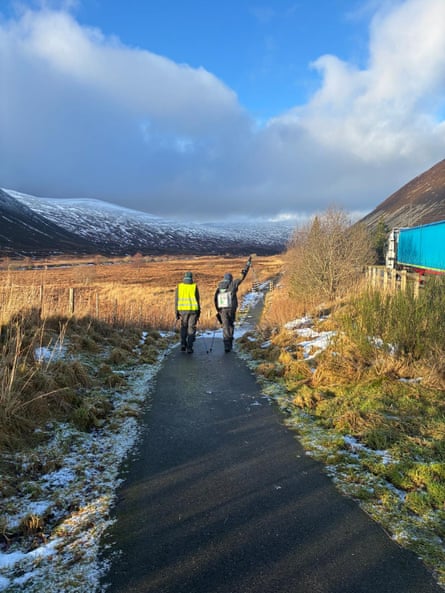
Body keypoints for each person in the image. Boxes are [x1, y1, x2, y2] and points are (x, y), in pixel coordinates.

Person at [214, 256, 252, 352]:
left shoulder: (219, 287)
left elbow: (215, 299)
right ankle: (229, 343)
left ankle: (226, 344)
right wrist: (247, 265)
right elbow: (242, 276)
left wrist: (218, 310)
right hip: (231, 309)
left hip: (222, 310)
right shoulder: (233, 284)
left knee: (225, 326)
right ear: (230, 279)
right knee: (231, 325)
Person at [175, 271, 201, 353]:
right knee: (191, 328)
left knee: (183, 327)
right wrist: (199, 312)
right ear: (191, 277)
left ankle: (183, 344)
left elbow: (176, 300)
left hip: (182, 310)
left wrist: (176, 312)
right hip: (193, 311)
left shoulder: (179, 287)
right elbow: (197, 300)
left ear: (184, 277)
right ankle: (189, 347)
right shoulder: (194, 286)